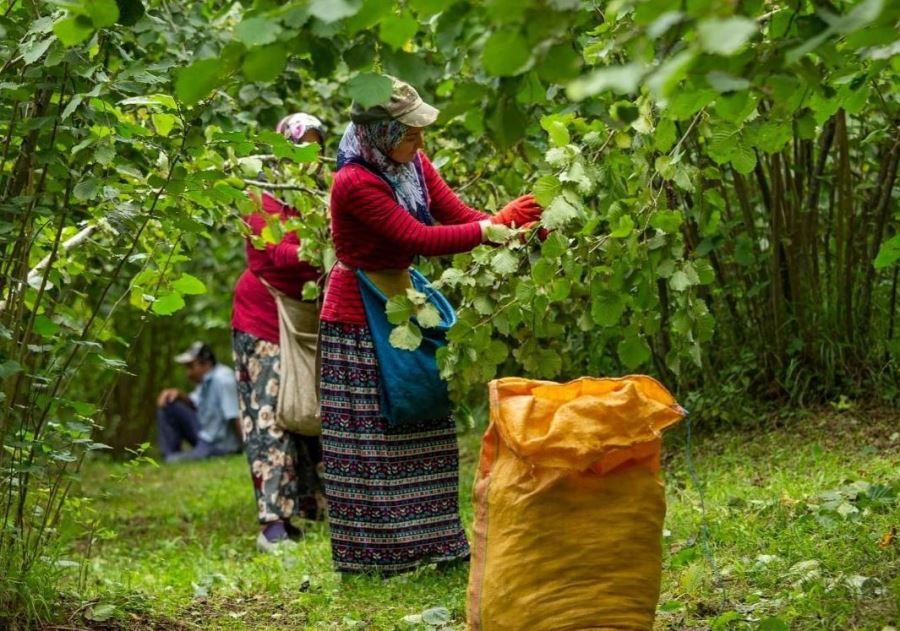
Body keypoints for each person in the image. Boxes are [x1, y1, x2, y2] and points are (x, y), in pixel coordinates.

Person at [319, 77, 543, 576]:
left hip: (404, 301)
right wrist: (489, 228)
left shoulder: (412, 165)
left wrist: (513, 229)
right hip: (360, 313)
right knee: (374, 434)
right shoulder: (354, 181)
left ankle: (436, 544)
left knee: (424, 414)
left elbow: (460, 217)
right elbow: (419, 235)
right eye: (411, 132)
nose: (421, 141)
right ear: (380, 131)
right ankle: (379, 558)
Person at [231, 112, 327, 553]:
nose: (306, 155)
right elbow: (279, 254)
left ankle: (314, 508)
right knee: (270, 416)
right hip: (263, 320)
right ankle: (272, 524)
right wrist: (326, 246)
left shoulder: (319, 198)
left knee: (310, 412)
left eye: (314, 146)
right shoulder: (262, 199)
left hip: (307, 321)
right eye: (298, 146)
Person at [156, 341, 242, 463]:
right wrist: (178, 394)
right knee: (169, 405)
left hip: (219, 445)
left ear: (206, 364)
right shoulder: (206, 380)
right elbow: (194, 403)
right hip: (205, 434)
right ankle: (170, 454)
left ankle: (172, 459)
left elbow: (235, 417)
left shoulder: (223, 380)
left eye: (191, 367)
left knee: (174, 461)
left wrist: (247, 449)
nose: (188, 373)